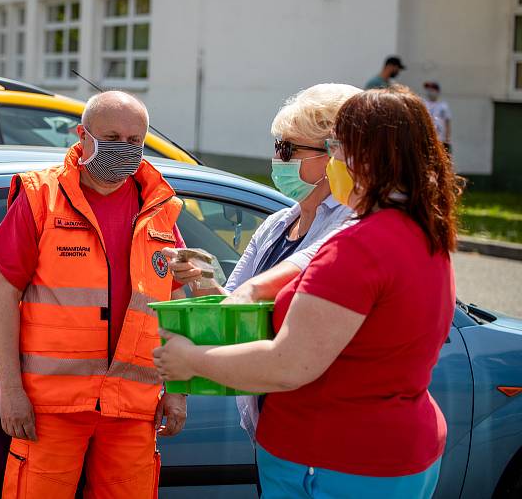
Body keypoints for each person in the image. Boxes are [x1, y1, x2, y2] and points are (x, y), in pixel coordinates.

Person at [153, 85, 460, 499]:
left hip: (334, 460)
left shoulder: (358, 244)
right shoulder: (422, 232)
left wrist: (189, 360)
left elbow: (288, 365)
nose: (334, 162)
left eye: (337, 150)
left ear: (363, 159)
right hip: (384, 454)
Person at [0, 91, 188, 498]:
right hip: (51, 408)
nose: (125, 148)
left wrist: (178, 391)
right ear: (82, 135)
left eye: (134, 141)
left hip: (132, 407)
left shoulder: (160, 207)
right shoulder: (42, 196)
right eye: (113, 136)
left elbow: (177, 307)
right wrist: (11, 391)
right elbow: (3, 297)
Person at [164, 84, 359, 485]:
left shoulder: (349, 224)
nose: (277, 160)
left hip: (319, 434)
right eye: (276, 146)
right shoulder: (278, 223)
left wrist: (191, 360)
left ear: (333, 157)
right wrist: (203, 279)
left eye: (289, 150)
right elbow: (233, 309)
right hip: (270, 426)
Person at [422, 81, 453, 153]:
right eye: (428, 90)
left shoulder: (443, 106)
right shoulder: (423, 104)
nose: (429, 92)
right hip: (426, 139)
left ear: (437, 91)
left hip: (440, 140)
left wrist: (447, 139)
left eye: (432, 90)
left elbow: (447, 123)